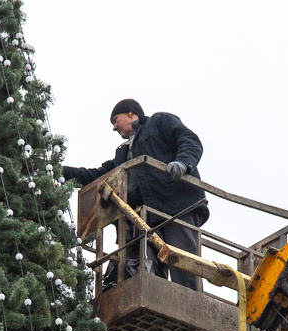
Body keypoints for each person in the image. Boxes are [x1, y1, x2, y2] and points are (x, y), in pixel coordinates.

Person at [62, 99, 209, 290]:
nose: (114, 127)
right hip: (146, 219)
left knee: (182, 263)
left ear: (131, 114)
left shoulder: (158, 122)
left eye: (116, 120)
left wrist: (183, 163)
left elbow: (189, 140)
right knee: (140, 264)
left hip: (177, 207)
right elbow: (96, 175)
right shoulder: (122, 154)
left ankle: (193, 308)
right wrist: (62, 172)